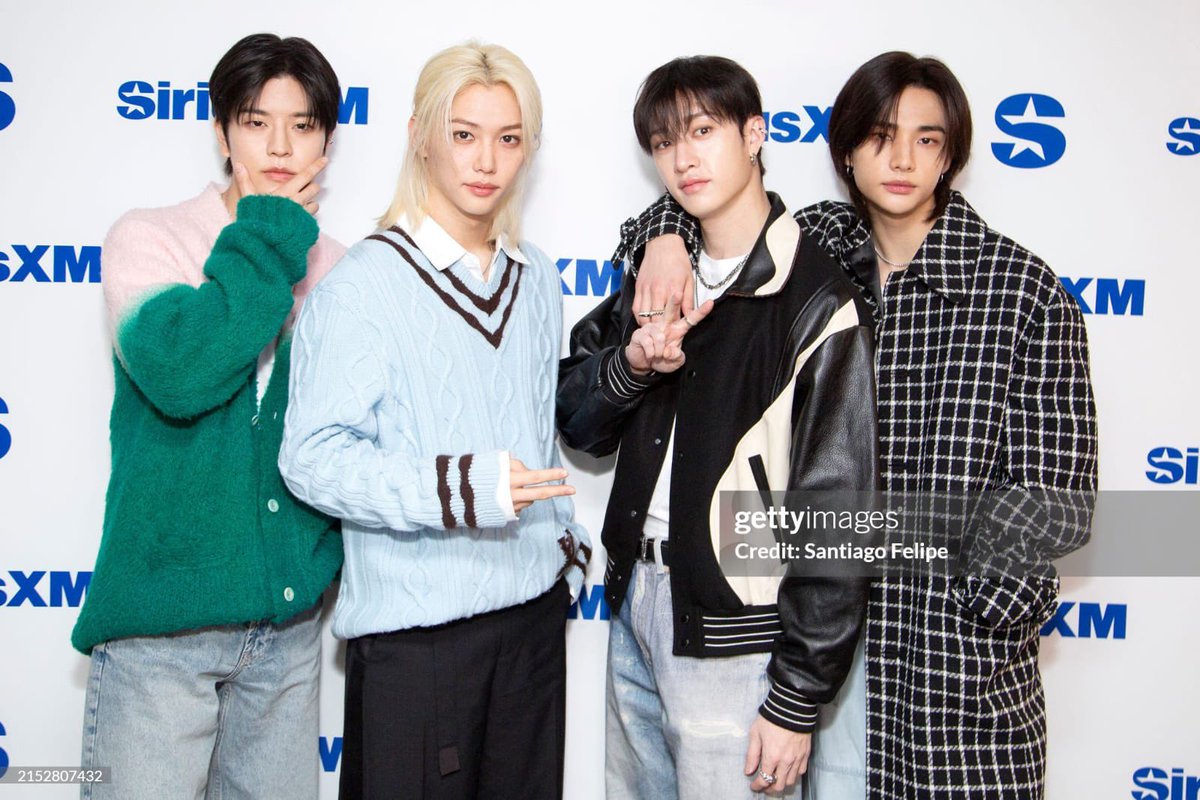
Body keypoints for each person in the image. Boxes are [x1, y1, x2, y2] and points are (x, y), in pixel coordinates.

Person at [621, 51, 1098, 799]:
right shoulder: (816, 245)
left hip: (946, 654)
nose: (902, 158)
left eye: (927, 139)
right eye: (879, 135)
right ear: (845, 149)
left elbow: (1056, 504)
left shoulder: (1023, 293)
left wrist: (973, 610)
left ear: (953, 155)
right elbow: (707, 206)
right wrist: (662, 238)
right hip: (802, 636)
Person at [557, 55, 878, 798]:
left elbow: (839, 516)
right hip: (638, 603)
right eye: (666, 141)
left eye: (703, 130)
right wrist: (634, 365)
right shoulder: (659, 276)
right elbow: (577, 419)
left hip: (740, 634)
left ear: (755, 133)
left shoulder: (816, 298)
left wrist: (797, 694)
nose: (683, 156)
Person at [278, 42, 590, 800]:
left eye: (509, 138)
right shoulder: (363, 285)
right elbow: (311, 458)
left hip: (531, 624)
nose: (486, 159)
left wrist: (565, 549)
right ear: (421, 134)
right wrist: (462, 487)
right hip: (419, 646)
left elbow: (530, 426)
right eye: (464, 133)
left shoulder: (537, 273)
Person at [72, 33, 345, 799]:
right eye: (257, 122)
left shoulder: (343, 269)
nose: (281, 146)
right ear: (222, 132)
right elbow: (183, 374)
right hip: (163, 630)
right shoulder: (149, 239)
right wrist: (270, 234)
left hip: (286, 638)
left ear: (328, 137)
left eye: (303, 124)